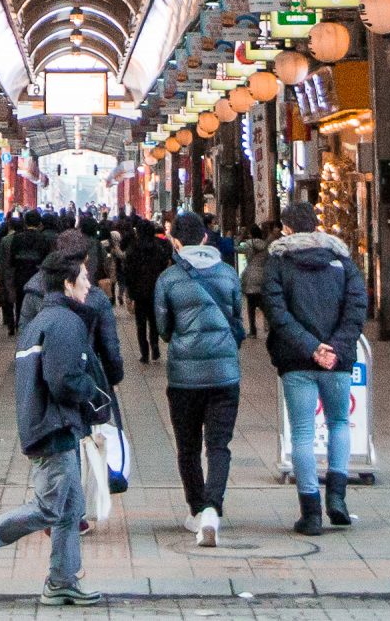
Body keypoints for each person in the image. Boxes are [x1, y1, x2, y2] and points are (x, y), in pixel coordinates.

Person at [0, 251, 108, 607]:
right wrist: (91, 392)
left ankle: (63, 579)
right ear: (68, 284)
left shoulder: (43, 319)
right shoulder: (66, 323)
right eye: (84, 278)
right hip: (54, 427)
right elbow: (63, 380)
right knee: (52, 507)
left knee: (70, 507)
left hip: (43, 422)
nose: (89, 285)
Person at [265, 201, 369, 535]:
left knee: (303, 433)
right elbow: (356, 308)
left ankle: (310, 513)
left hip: (297, 361)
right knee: (339, 422)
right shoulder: (342, 261)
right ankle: (337, 497)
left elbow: (276, 312)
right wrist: (335, 348)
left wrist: (311, 347)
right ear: (316, 225)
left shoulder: (278, 263)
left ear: (287, 229)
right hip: (337, 362)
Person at [155, 211, 244, 546]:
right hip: (224, 374)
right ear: (206, 238)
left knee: (188, 447)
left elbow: (164, 330)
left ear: (175, 241)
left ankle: (196, 509)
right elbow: (237, 318)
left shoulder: (168, 279)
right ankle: (213, 510)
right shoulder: (227, 273)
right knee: (219, 444)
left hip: (184, 377)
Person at [17, 230, 124, 390]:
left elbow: (25, 336)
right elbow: (110, 345)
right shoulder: (95, 297)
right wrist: (112, 376)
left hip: (43, 379)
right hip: (84, 378)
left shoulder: (34, 291)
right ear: (86, 257)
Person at [124, 217, 172, 364]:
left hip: (138, 292)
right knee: (153, 321)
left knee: (140, 323)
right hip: (155, 290)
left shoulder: (133, 248)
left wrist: (129, 292)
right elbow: (164, 265)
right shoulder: (158, 247)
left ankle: (144, 353)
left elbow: (128, 271)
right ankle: (155, 348)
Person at [7, 211, 54, 334]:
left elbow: (11, 258)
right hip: (37, 274)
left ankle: (21, 325)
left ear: (25, 222)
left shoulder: (17, 238)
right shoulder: (42, 238)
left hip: (20, 273)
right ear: (39, 223)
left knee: (20, 300)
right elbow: (46, 259)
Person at [239, 228, 272, 340]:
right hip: (262, 275)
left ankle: (253, 331)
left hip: (250, 276)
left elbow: (236, 248)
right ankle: (270, 325)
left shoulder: (248, 244)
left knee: (251, 305)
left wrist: (240, 236)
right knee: (262, 303)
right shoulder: (266, 246)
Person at [0, 215, 23, 332]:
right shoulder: (22, 239)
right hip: (20, 270)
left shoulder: (5, 240)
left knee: (8, 298)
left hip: (7, 271)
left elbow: (1, 258)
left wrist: (0, 273)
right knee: (20, 297)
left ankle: (10, 323)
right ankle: (18, 322)